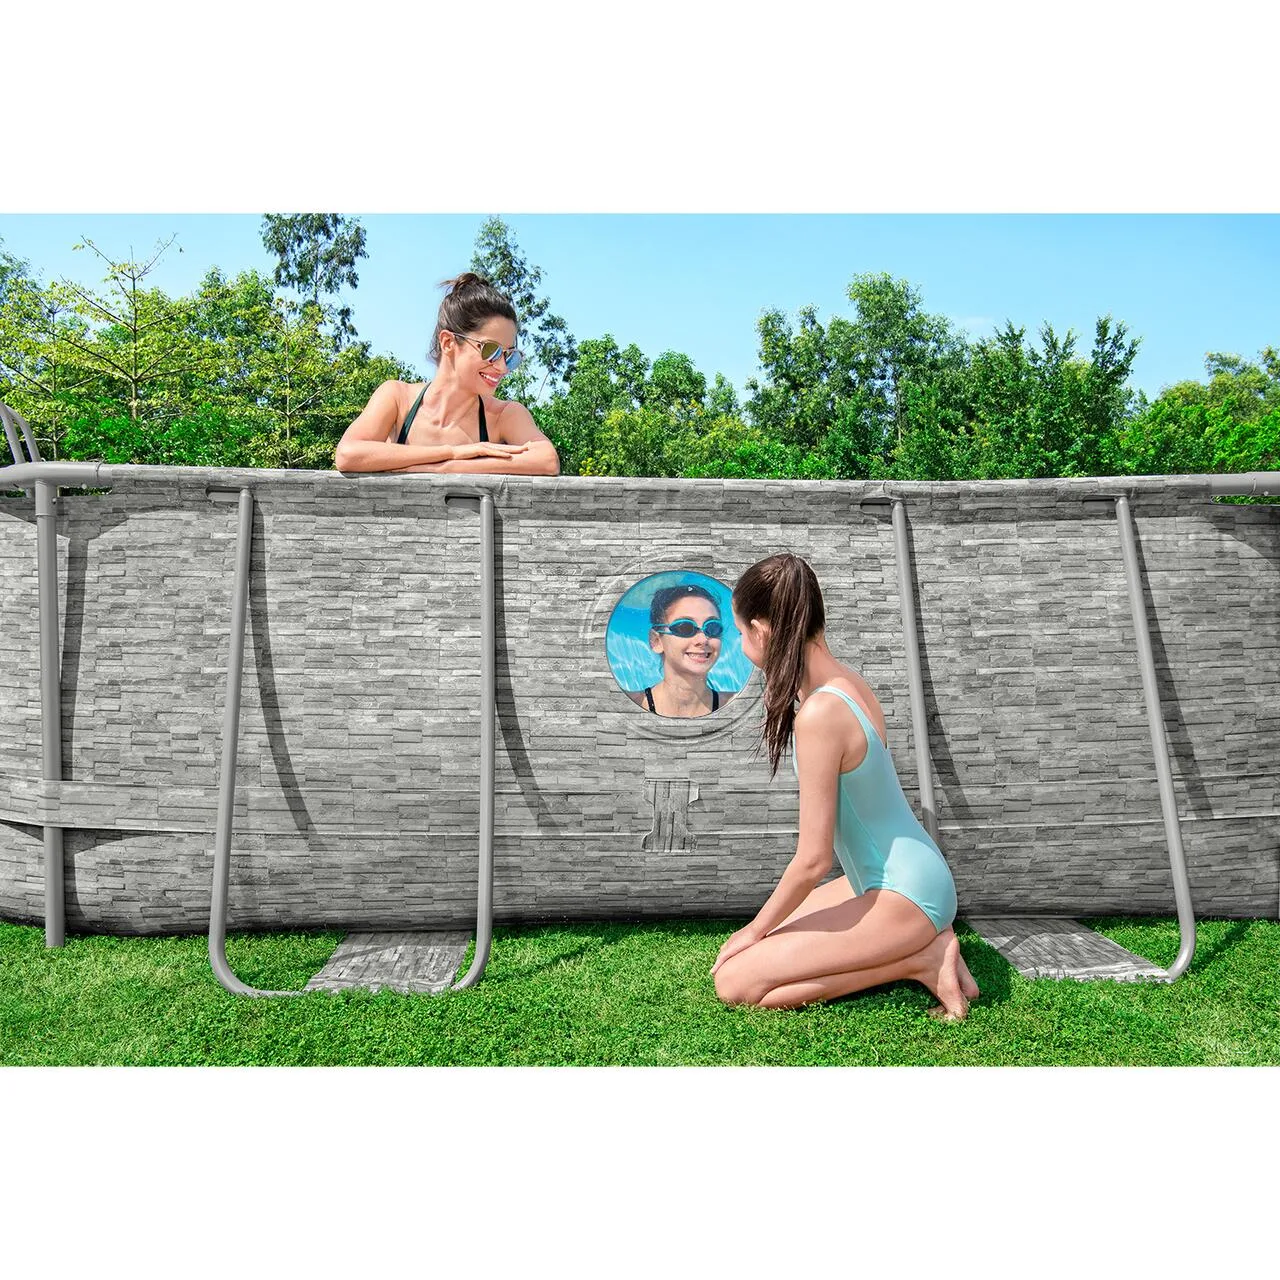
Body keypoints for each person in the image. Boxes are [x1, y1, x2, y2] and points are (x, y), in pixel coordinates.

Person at [710, 553, 979, 1019]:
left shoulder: (820, 713)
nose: (739, 642)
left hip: (905, 894)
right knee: (774, 938)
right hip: (897, 878)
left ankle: (921, 958)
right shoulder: (846, 683)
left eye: (739, 632)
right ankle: (918, 946)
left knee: (736, 980)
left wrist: (751, 930)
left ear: (761, 631)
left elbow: (813, 861)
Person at [334, 272, 560, 476]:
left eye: (509, 355)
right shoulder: (397, 398)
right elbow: (348, 454)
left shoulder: (505, 415)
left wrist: (445, 467)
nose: (502, 367)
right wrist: (452, 452)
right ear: (448, 342)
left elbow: (546, 460)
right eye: (490, 350)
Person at [627, 584, 737, 718]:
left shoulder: (736, 704)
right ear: (656, 641)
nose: (703, 639)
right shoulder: (628, 704)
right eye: (685, 627)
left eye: (712, 628)